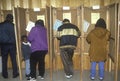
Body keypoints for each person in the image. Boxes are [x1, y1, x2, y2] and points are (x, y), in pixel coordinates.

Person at [0, 14, 19, 78]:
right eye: (12, 19)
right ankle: (15, 73)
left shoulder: (1, 25)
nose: (13, 20)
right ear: (11, 19)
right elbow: (16, 35)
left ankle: (5, 75)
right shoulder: (13, 26)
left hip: (3, 45)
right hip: (12, 44)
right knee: (13, 59)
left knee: (4, 60)